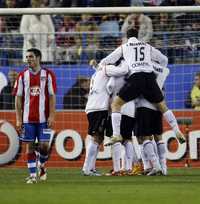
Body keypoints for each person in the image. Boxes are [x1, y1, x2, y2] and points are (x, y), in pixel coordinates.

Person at [100, 28, 185, 148]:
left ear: (127, 37)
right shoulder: (147, 46)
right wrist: (157, 68)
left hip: (136, 77)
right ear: (138, 35)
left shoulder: (124, 47)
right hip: (150, 77)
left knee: (116, 104)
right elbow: (164, 59)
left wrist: (100, 65)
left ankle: (116, 134)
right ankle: (176, 130)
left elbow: (108, 59)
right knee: (162, 106)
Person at [13, 48, 56, 184]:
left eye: (31, 56)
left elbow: (52, 96)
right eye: (27, 57)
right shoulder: (22, 76)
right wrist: (19, 119)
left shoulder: (48, 74)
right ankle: (32, 176)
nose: (28, 59)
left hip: (44, 118)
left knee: (44, 146)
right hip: (27, 119)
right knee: (30, 146)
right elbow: (18, 98)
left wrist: (52, 116)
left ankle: (42, 165)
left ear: (38, 58)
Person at [82, 59, 129, 176]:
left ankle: (90, 168)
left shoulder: (97, 72)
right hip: (98, 107)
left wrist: (95, 65)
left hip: (93, 106)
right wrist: (124, 61)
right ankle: (86, 169)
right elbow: (123, 70)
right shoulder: (107, 69)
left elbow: (99, 68)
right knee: (96, 138)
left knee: (98, 138)